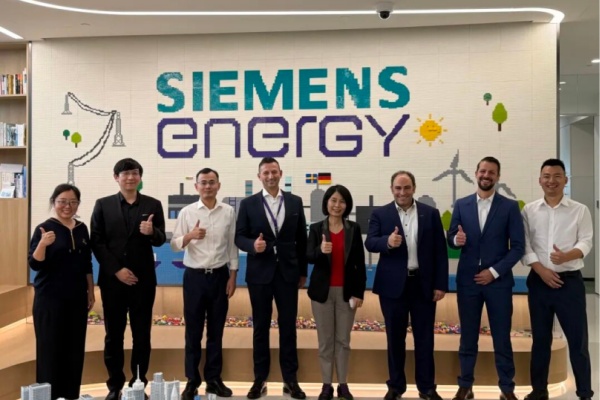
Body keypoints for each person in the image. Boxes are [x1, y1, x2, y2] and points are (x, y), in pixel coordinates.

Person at [365, 171, 448, 400]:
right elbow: (370, 242)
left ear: (414, 188)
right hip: (392, 288)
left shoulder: (430, 213)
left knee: (425, 339)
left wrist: (440, 284)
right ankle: (395, 387)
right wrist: (387, 242)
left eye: (407, 187)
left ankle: (427, 388)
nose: (402, 192)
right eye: (398, 188)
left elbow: (440, 252)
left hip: (423, 286)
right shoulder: (380, 213)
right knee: (394, 339)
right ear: (392, 189)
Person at [447, 156, 524, 400]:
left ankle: (507, 389)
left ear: (498, 176)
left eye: (491, 172)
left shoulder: (509, 207)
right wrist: (455, 240)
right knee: (468, 337)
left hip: (498, 283)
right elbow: (451, 238)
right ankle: (465, 386)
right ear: (476, 173)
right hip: (468, 282)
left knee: (502, 338)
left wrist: (493, 272)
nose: (486, 175)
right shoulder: (462, 205)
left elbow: (518, 247)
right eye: (482, 171)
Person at [90, 158, 166, 400]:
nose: (130, 177)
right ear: (116, 178)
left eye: (134, 173)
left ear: (140, 177)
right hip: (113, 281)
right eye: (125, 174)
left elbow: (161, 239)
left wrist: (152, 232)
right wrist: (116, 270)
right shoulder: (103, 205)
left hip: (143, 282)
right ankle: (115, 386)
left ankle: (138, 385)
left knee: (142, 335)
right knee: (114, 335)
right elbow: (97, 242)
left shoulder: (153, 204)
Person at [235, 157, 308, 400]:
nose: (270, 176)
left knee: (288, 328)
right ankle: (260, 379)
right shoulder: (248, 204)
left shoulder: (295, 201)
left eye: (274, 172)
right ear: (259, 176)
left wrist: (303, 272)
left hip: (288, 273)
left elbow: (301, 239)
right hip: (260, 274)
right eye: (265, 173)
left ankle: (291, 380)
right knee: (260, 328)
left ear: (280, 173)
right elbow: (239, 236)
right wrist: (252, 246)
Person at [521, 159, 594, 400]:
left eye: (557, 176)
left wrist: (567, 256)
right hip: (539, 282)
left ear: (565, 180)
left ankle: (584, 393)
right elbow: (525, 245)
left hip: (569, 283)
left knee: (578, 342)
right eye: (547, 176)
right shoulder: (529, 210)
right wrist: (541, 270)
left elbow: (586, 240)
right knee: (540, 340)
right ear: (540, 180)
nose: (551, 181)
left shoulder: (580, 210)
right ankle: (538, 391)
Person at [171, 168, 239, 400]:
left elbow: (232, 245)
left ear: (218, 185)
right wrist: (190, 236)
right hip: (195, 278)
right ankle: (192, 380)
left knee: (216, 332)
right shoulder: (187, 212)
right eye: (203, 183)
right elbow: (174, 245)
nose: (208, 186)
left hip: (220, 277)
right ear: (196, 187)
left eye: (212, 182)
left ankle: (213, 379)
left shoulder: (228, 212)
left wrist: (233, 275)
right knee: (193, 332)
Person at [28, 183, 94, 400]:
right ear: (54, 202)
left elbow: (86, 263)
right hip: (49, 298)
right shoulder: (44, 228)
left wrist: (90, 291)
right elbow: (35, 264)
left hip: (76, 298)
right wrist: (43, 244)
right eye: (62, 201)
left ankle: (71, 395)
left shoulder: (82, 228)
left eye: (73, 202)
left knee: (74, 349)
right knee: (49, 349)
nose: (68, 206)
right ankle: (48, 396)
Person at [306, 185, 367, 400]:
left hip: (347, 293)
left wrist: (359, 292)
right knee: (325, 341)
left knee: (343, 341)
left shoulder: (353, 228)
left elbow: (359, 263)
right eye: (333, 200)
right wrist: (320, 251)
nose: (337, 205)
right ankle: (326, 385)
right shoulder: (316, 228)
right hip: (321, 293)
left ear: (347, 205)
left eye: (342, 201)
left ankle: (342, 384)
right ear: (326, 203)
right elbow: (308, 256)